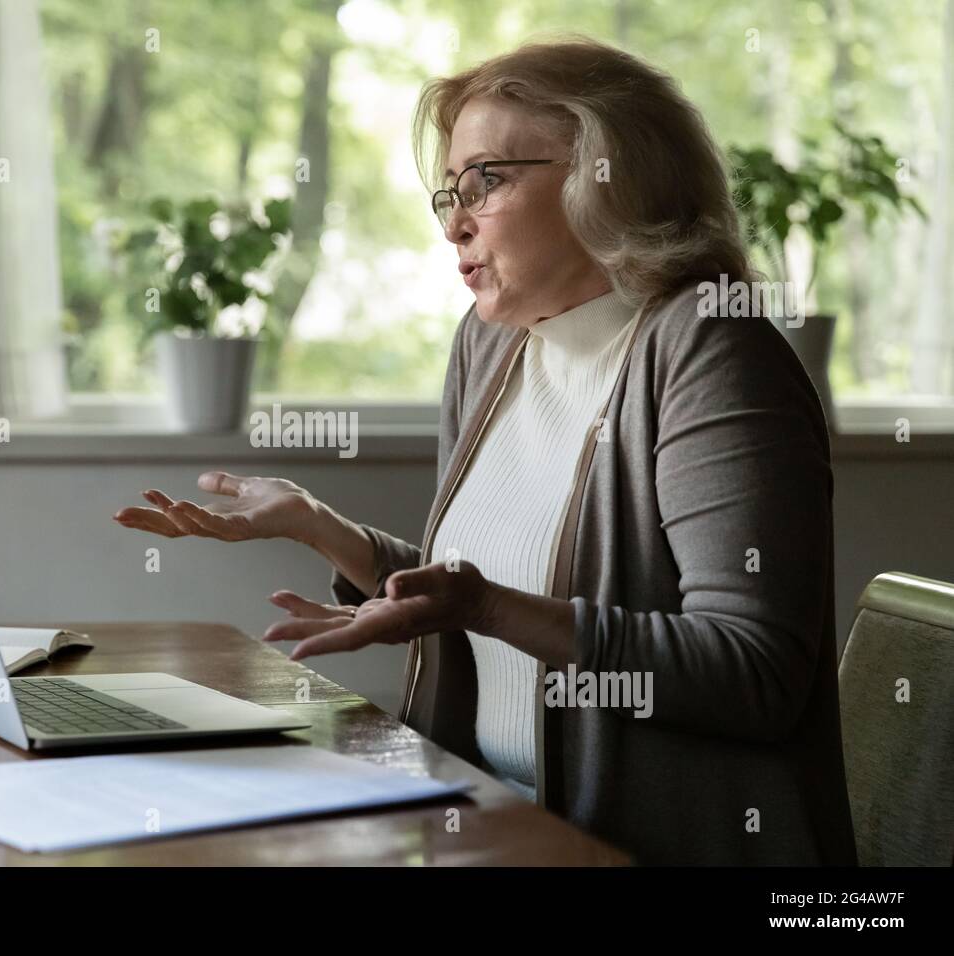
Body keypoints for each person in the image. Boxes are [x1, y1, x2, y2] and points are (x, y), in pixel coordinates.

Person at [114, 36, 857, 865]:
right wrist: (322, 526)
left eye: (488, 182)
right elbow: (476, 588)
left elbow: (753, 677)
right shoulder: (492, 346)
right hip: (489, 821)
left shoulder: (712, 348)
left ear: (609, 177)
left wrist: (484, 607)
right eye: (448, 194)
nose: (454, 224)